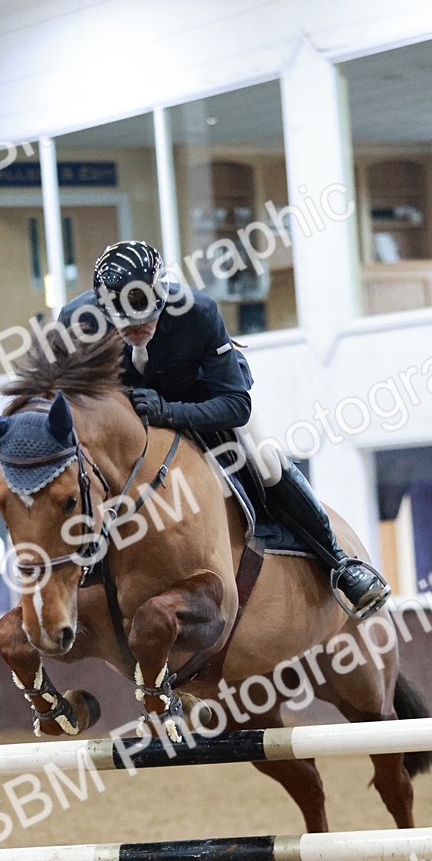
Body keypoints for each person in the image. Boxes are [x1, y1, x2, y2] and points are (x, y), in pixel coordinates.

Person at [59, 240, 389, 617]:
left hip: (201, 399)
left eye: (145, 317)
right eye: (125, 323)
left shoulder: (198, 312)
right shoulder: (76, 322)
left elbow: (236, 405)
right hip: (124, 421)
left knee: (265, 461)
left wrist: (169, 411)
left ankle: (340, 564)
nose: (137, 329)